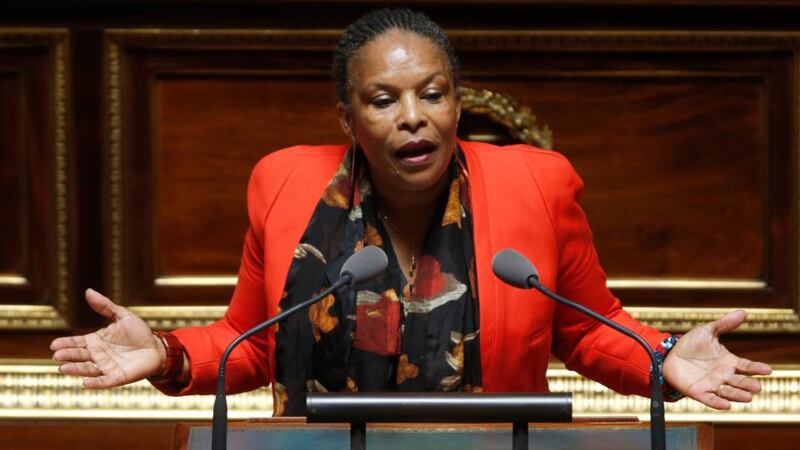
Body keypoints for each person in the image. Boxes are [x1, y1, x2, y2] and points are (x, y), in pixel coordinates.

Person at [51, 8, 771, 416]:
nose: (414, 118)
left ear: (458, 102)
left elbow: (584, 328)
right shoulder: (284, 183)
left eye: (432, 93)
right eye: (384, 100)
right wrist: (168, 358)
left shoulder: (538, 185)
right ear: (349, 116)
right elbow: (257, 341)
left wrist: (666, 357)